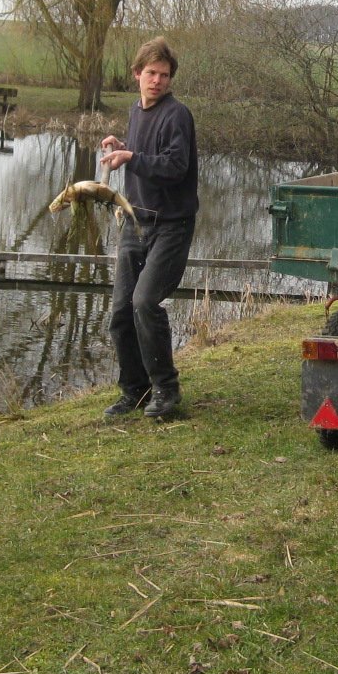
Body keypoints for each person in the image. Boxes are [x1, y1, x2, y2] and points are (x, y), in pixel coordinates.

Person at [99, 37, 198, 421]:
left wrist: (132, 157)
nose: (157, 81)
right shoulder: (136, 111)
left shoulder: (178, 115)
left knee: (145, 302)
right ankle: (134, 391)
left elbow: (175, 167)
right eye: (151, 73)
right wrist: (121, 146)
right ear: (137, 74)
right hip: (134, 222)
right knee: (121, 312)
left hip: (172, 225)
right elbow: (143, 154)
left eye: (164, 75)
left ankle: (166, 391)